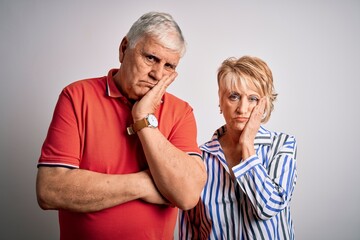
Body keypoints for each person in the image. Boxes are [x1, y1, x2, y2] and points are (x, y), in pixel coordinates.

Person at [36, 12, 207, 240]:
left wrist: (143, 118)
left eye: (169, 66)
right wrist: (146, 184)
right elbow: (50, 190)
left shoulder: (181, 112)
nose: (157, 74)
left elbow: (186, 196)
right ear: (124, 48)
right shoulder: (76, 96)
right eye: (151, 58)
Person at [179, 56, 298, 239]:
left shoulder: (282, 145)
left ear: (264, 104)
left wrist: (247, 146)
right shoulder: (199, 157)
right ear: (221, 101)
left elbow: (269, 207)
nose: (242, 108)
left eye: (253, 99)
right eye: (234, 96)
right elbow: (190, 227)